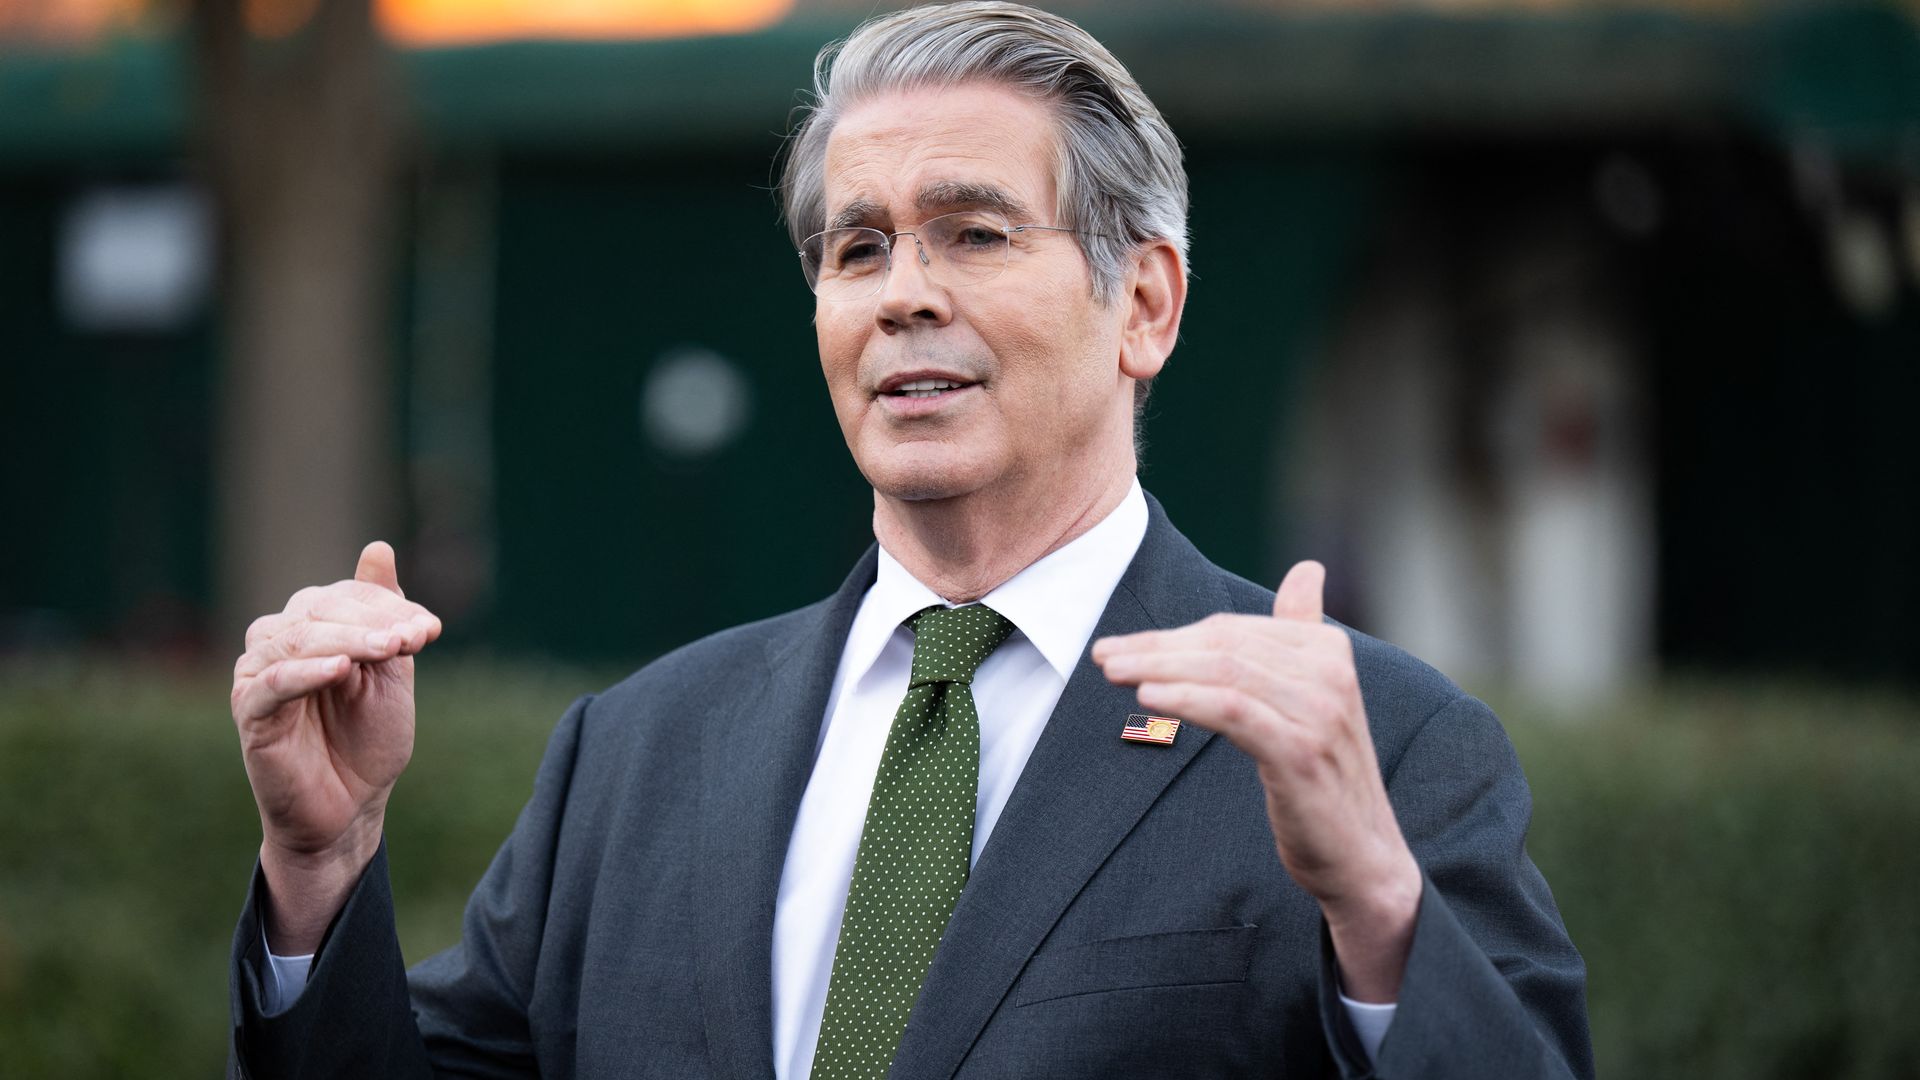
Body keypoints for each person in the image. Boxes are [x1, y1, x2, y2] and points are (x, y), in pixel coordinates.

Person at [225, 4, 1592, 1077]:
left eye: (974, 233)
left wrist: (1377, 910)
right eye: (856, 247)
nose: (903, 296)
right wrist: (320, 872)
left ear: (1148, 305)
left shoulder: (1382, 747)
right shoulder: (636, 754)